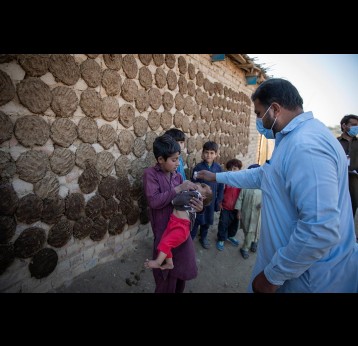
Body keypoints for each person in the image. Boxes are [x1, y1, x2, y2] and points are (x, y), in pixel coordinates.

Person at [196, 78, 358, 293]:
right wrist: (217, 178)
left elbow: (320, 229)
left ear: (274, 109)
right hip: (296, 272)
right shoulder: (294, 139)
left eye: (258, 113)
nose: (257, 120)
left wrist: (273, 275)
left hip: (308, 279)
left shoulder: (306, 146)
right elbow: (264, 175)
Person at [143, 134, 203, 293]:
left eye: (178, 159)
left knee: (179, 276)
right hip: (163, 233)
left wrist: (197, 205)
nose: (178, 163)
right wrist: (178, 189)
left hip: (181, 234)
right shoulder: (150, 174)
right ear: (161, 159)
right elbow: (154, 201)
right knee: (165, 278)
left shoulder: (177, 177)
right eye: (174, 160)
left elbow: (184, 203)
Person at [144, 182, 212, 270]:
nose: (199, 184)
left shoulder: (195, 195)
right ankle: (169, 263)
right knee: (164, 242)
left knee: (166, 243)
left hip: (181, 227)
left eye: (202, 186)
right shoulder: (192, 195)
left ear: (203, 197)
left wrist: (179, 191)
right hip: (174, 223)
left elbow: (176, 201)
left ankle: (158, 262)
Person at [190, 141, 224, 249]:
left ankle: (203, 237)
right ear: (202, 153)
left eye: (211, 153)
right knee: (195, 220)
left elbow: (221, 186)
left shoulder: (218, 169)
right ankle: (190, 239)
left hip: (212, 200)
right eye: (206, 152)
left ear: (216, 154)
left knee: (207, 221)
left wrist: (219, 200)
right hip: (199, 200)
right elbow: (193, 183)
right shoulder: (198, 168)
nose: (208, 155)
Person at [337, 114, 358, 242]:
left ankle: (351, 239)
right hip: (338, 183)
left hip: (355, 184)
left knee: (353, 209)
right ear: (344, 126)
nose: (356, 128)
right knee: (339, 210)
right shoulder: (335, 143)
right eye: (353, 125)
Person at [235, 164, 262, 259]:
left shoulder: (263, 187)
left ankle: (254, 242)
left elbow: (269, 199)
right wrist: (238, 211)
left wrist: (264, 204)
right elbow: (240, 199)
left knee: (257, 230)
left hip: (258, 216)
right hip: (247, 214)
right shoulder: (245, 187)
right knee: (249, 231)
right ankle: (245, 248)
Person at [216, 159, 242, 251]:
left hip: (236, 207)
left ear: (239, 170)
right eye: (230, 169)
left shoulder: (241, 182)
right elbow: (221, 193)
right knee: (223, 223)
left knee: (234, 224)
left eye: (235, 169)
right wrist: (220, 202)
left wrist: (240, 209)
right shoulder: (225, 181)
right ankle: (221, 238)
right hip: (225, 207)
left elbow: (242, 196)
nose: (232, 171)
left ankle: (230, 236)